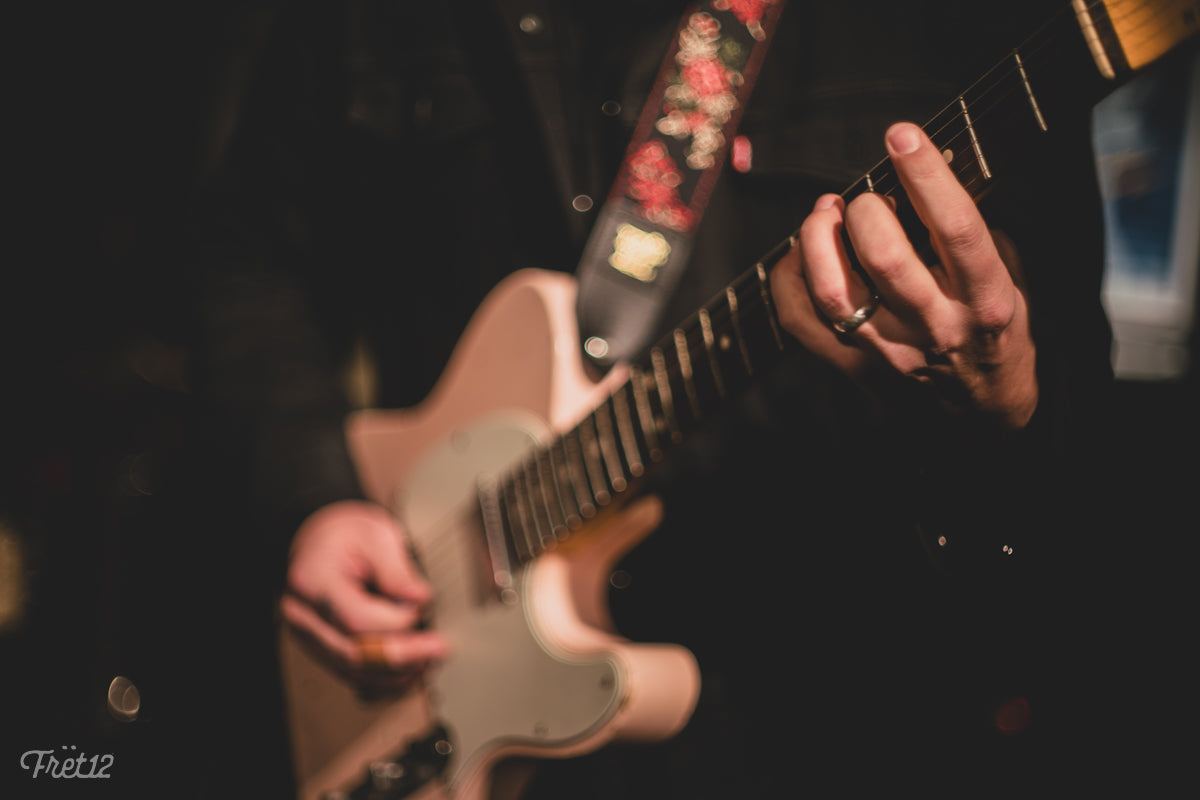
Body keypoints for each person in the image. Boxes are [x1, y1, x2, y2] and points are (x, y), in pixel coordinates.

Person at [174, 1, 1123, 797]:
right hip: (441, 649)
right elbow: (248, 251)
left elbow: (1084, 442)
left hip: (819, 723)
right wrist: (314, 497)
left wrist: (1004, 404)